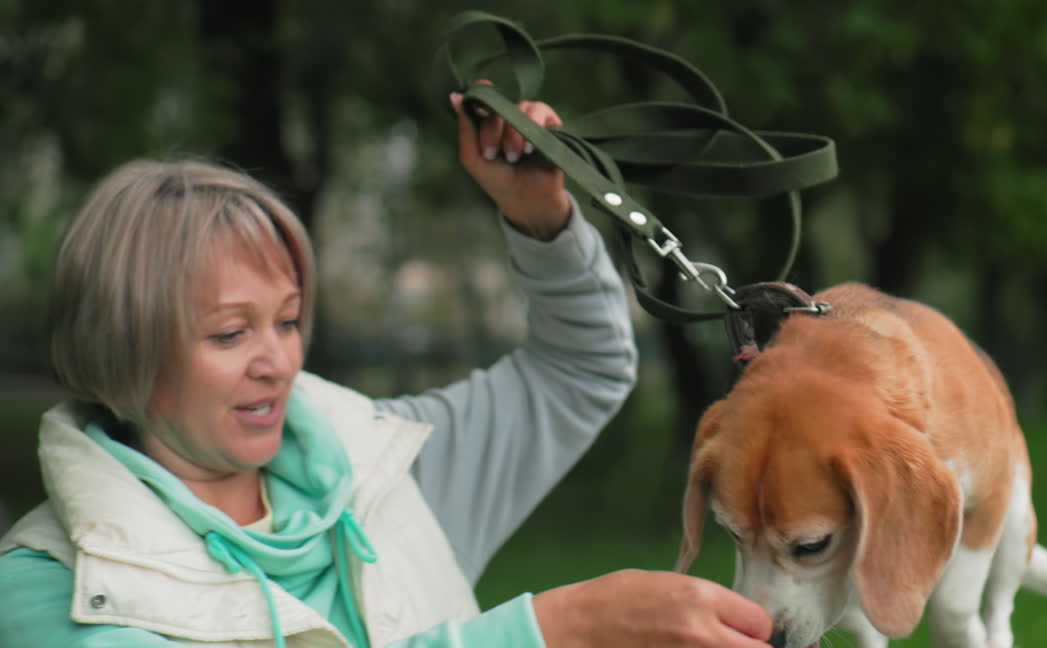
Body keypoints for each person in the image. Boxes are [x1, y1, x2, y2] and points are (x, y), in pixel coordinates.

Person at [0, 95, 775, 647]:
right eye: (232, 333)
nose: (278, 363)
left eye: (290, 320)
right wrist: (557, 630)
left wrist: (540, 219)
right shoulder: (52, 589)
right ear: (124, 344)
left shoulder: (386, 469)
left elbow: (580, 373)